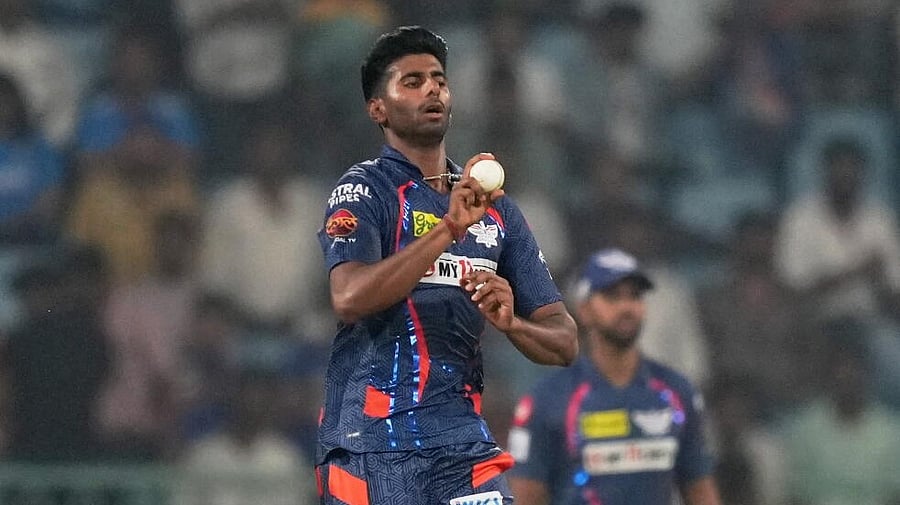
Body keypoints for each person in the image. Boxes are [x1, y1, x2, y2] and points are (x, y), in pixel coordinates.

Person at [314, 26, 578, 505]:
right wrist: (448, 230)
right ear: (378, 109)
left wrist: (513, 323)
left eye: (439, 79)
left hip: (461, 443)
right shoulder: (363, 191)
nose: (432, 88)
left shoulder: (495, 210)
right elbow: (348, 298)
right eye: (412, 82)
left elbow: (564, 343)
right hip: (371, 444)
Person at [506, 248, 722, 505]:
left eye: (635, 296)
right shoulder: (547, 400)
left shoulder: (677, 392)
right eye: (612, 296)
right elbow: (525, 496)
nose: (626, 307)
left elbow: (700, 491)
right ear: (583, 309)